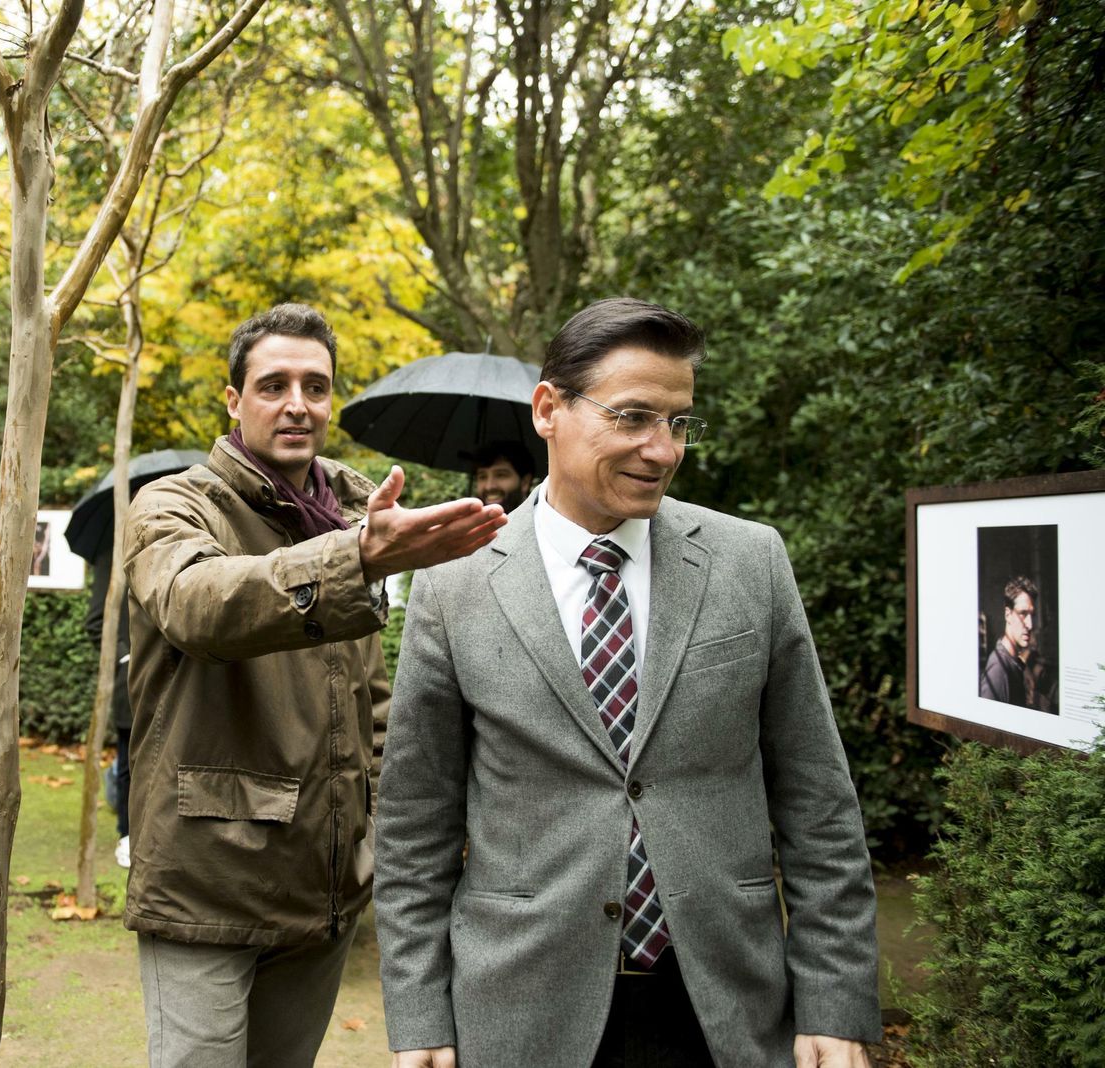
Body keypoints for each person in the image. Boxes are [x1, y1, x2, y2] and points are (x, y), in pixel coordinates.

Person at [375, 297, 881, 1067]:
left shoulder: (750, 563)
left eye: (679, 422)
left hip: (725, 1008)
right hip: (521, 1010)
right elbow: (415, 830)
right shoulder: (453, 585)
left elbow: (820, 806)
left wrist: (835, 1001)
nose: (663, 449)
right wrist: (420, 1021)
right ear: (549, 409)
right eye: (635, 417)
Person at [121, 302, 507, 1068]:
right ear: (233, 401)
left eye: (315, 385)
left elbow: (372, 704)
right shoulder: (174, 505)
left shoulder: (361, 512)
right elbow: (198, 605)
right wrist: (354, 561)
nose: (297, 403)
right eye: (273, 384)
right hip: (209, 883)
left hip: (324, 885)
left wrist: (393, 822)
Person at [85, 548, 134, 868]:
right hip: (131, 677)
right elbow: (95, 621)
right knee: (130, 757)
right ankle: (128, 833)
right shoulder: (113, 556)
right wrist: (125, 655)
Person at [978, 575, 1057, 713]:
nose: (1030, 624)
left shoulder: (1012, 662)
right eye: (1023, 613)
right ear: (1008, 615)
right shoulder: (998, 670)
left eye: (1032, 615)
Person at [469, 439, 537, 511]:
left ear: (525, 482)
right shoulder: (467, 520)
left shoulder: (542, 520)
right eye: (482, 477)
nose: (489, 487)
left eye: (500, 475)